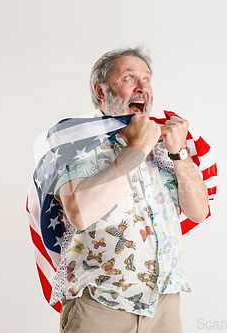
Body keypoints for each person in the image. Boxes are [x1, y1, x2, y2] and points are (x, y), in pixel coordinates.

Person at [51, 47, 209, 333]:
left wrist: (179, 154)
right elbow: (79, 213)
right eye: (129, 78)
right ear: (101, 91)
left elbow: (199, 211)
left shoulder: (166, 143)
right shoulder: (74, 139)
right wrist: (137, 148)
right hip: (101, 305)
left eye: (146, 80)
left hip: (165, 306)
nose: (142, 88)